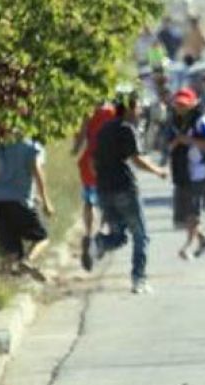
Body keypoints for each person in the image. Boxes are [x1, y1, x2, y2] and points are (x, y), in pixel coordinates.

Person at [92, 90, 169, 294]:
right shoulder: (127, 129)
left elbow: (93, 161)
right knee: (141, 236)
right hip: (125, 189)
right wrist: (158, 171)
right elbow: (136, 159)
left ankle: (98, 243)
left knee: (118, 236)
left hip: (104, 190)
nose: (140, 111)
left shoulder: (104, 129)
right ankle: (139, 279)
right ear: (129, 108)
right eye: (138, 107)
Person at [0, 136, 53, 280]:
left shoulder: (1, 146)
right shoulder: (31, 146)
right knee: (42, 238)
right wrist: (46, 201)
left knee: (11, 252)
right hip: (19, 199)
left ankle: (0, 287)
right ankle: (28, 261)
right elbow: (37, 172)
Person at [168, 88, 205, 260]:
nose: (180, 108)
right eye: (178, 104)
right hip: (183, 173)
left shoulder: (201, 122)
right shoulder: (176, 122)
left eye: (184, 105)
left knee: (192, 212)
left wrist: (187, 141)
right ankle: (203, 240)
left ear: (192, 104)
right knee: (186, 213)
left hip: (199, 173)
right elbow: (171, 144)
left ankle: (187, 246)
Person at [72, 101, 117, 271]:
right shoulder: (114, 112)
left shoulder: (87, 110)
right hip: (106, 162)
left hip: (87, 161)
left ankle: (88, 234)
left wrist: (75, 147)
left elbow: (79, 141)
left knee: (88, 201)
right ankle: (101, 233)